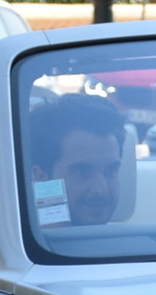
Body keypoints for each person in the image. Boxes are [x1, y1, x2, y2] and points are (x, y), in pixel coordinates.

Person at [26, 93, 130, 227]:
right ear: (41, 177)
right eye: (81, 171)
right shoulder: (11, 244)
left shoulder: (134, 245)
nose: (101, 190)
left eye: (111, 170)